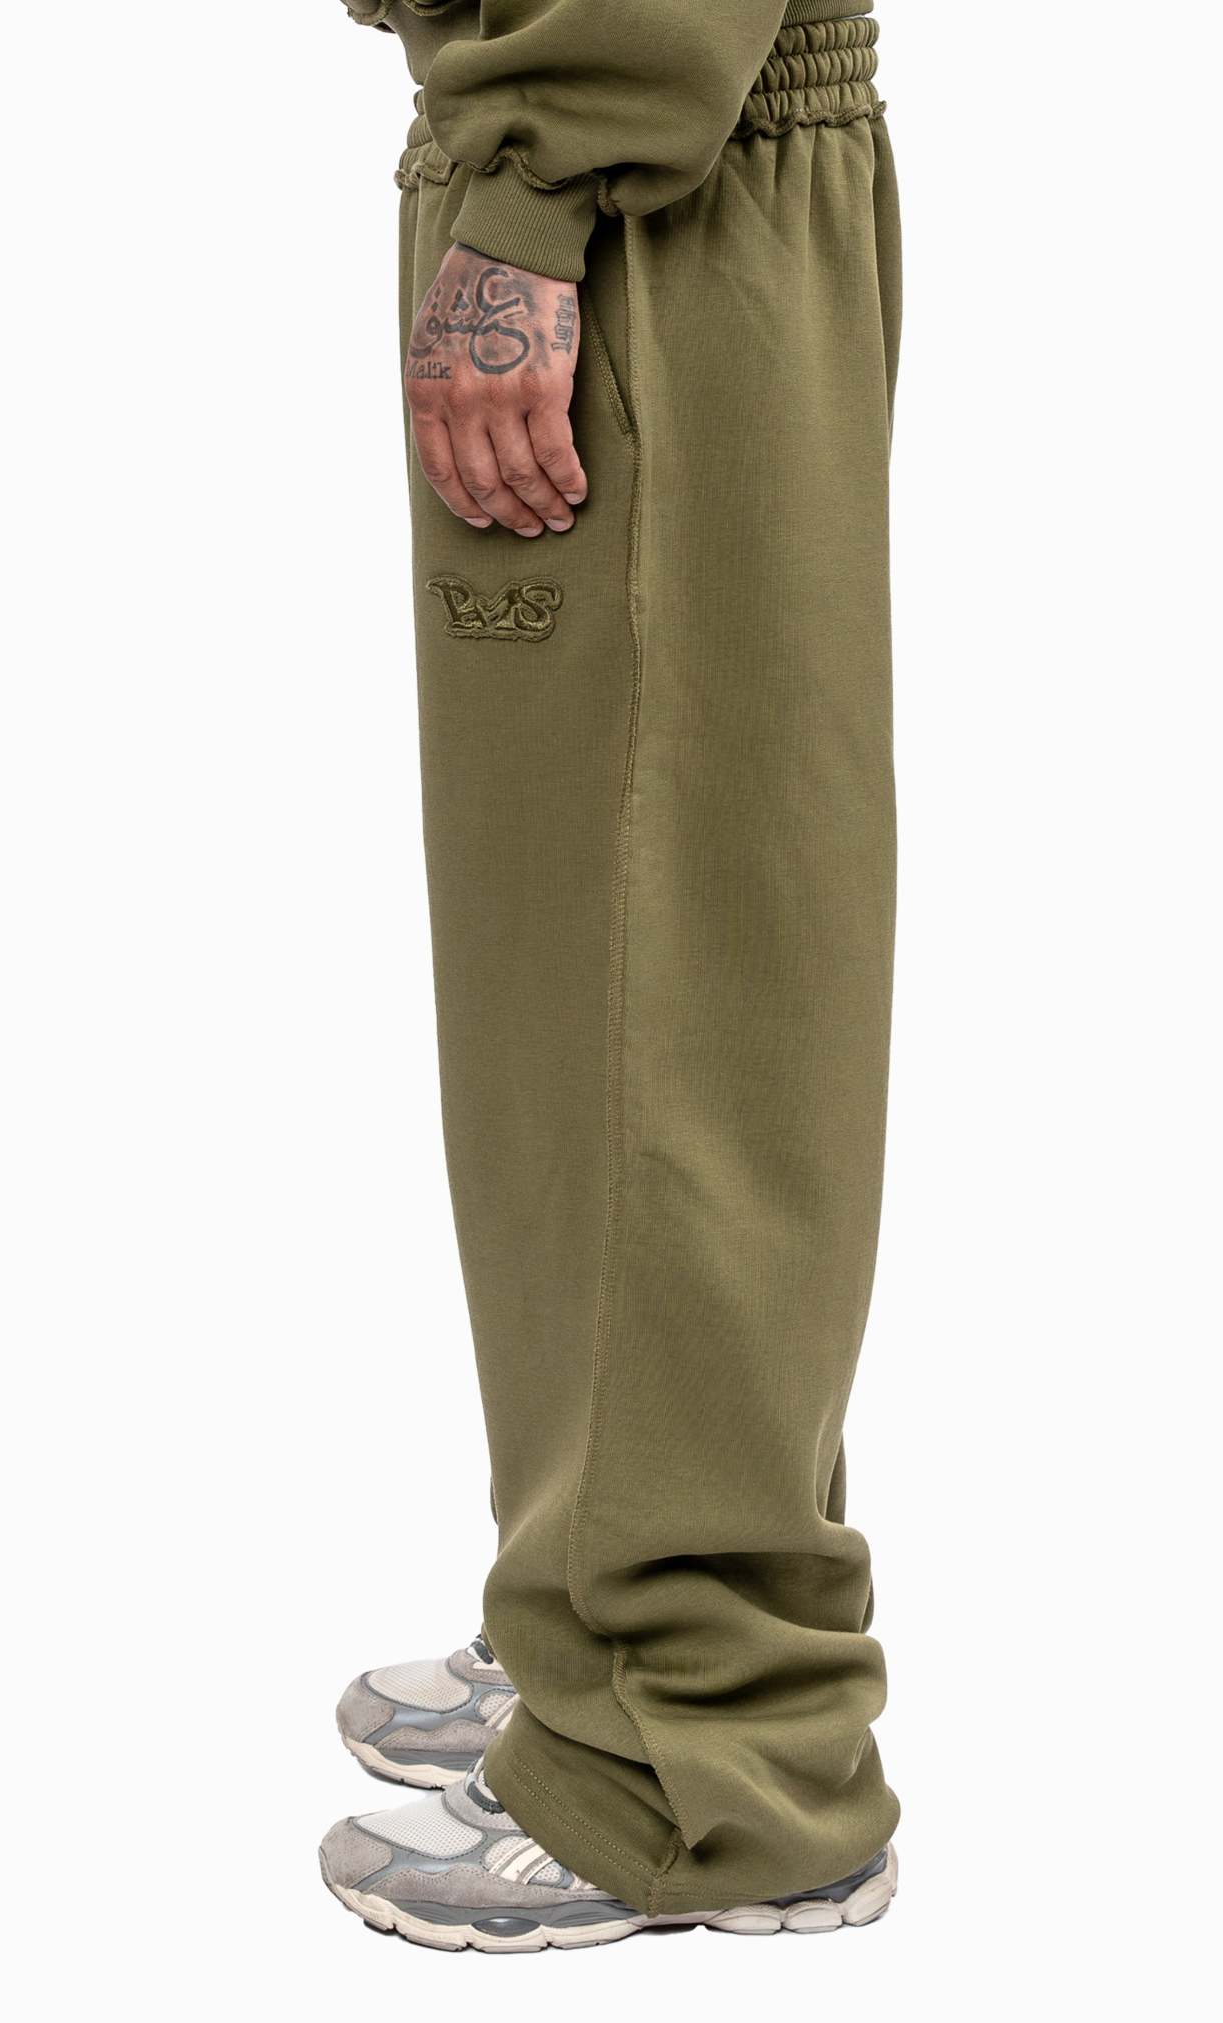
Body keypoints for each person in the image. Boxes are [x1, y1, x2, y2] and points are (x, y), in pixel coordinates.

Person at [319, 0, 904, 1953]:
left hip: (649, 184)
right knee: (573, 991)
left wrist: (532, 191)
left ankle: (705, 1745)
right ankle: (601, 1623)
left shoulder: (585, 161)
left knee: (683, 992)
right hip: (611, 157)